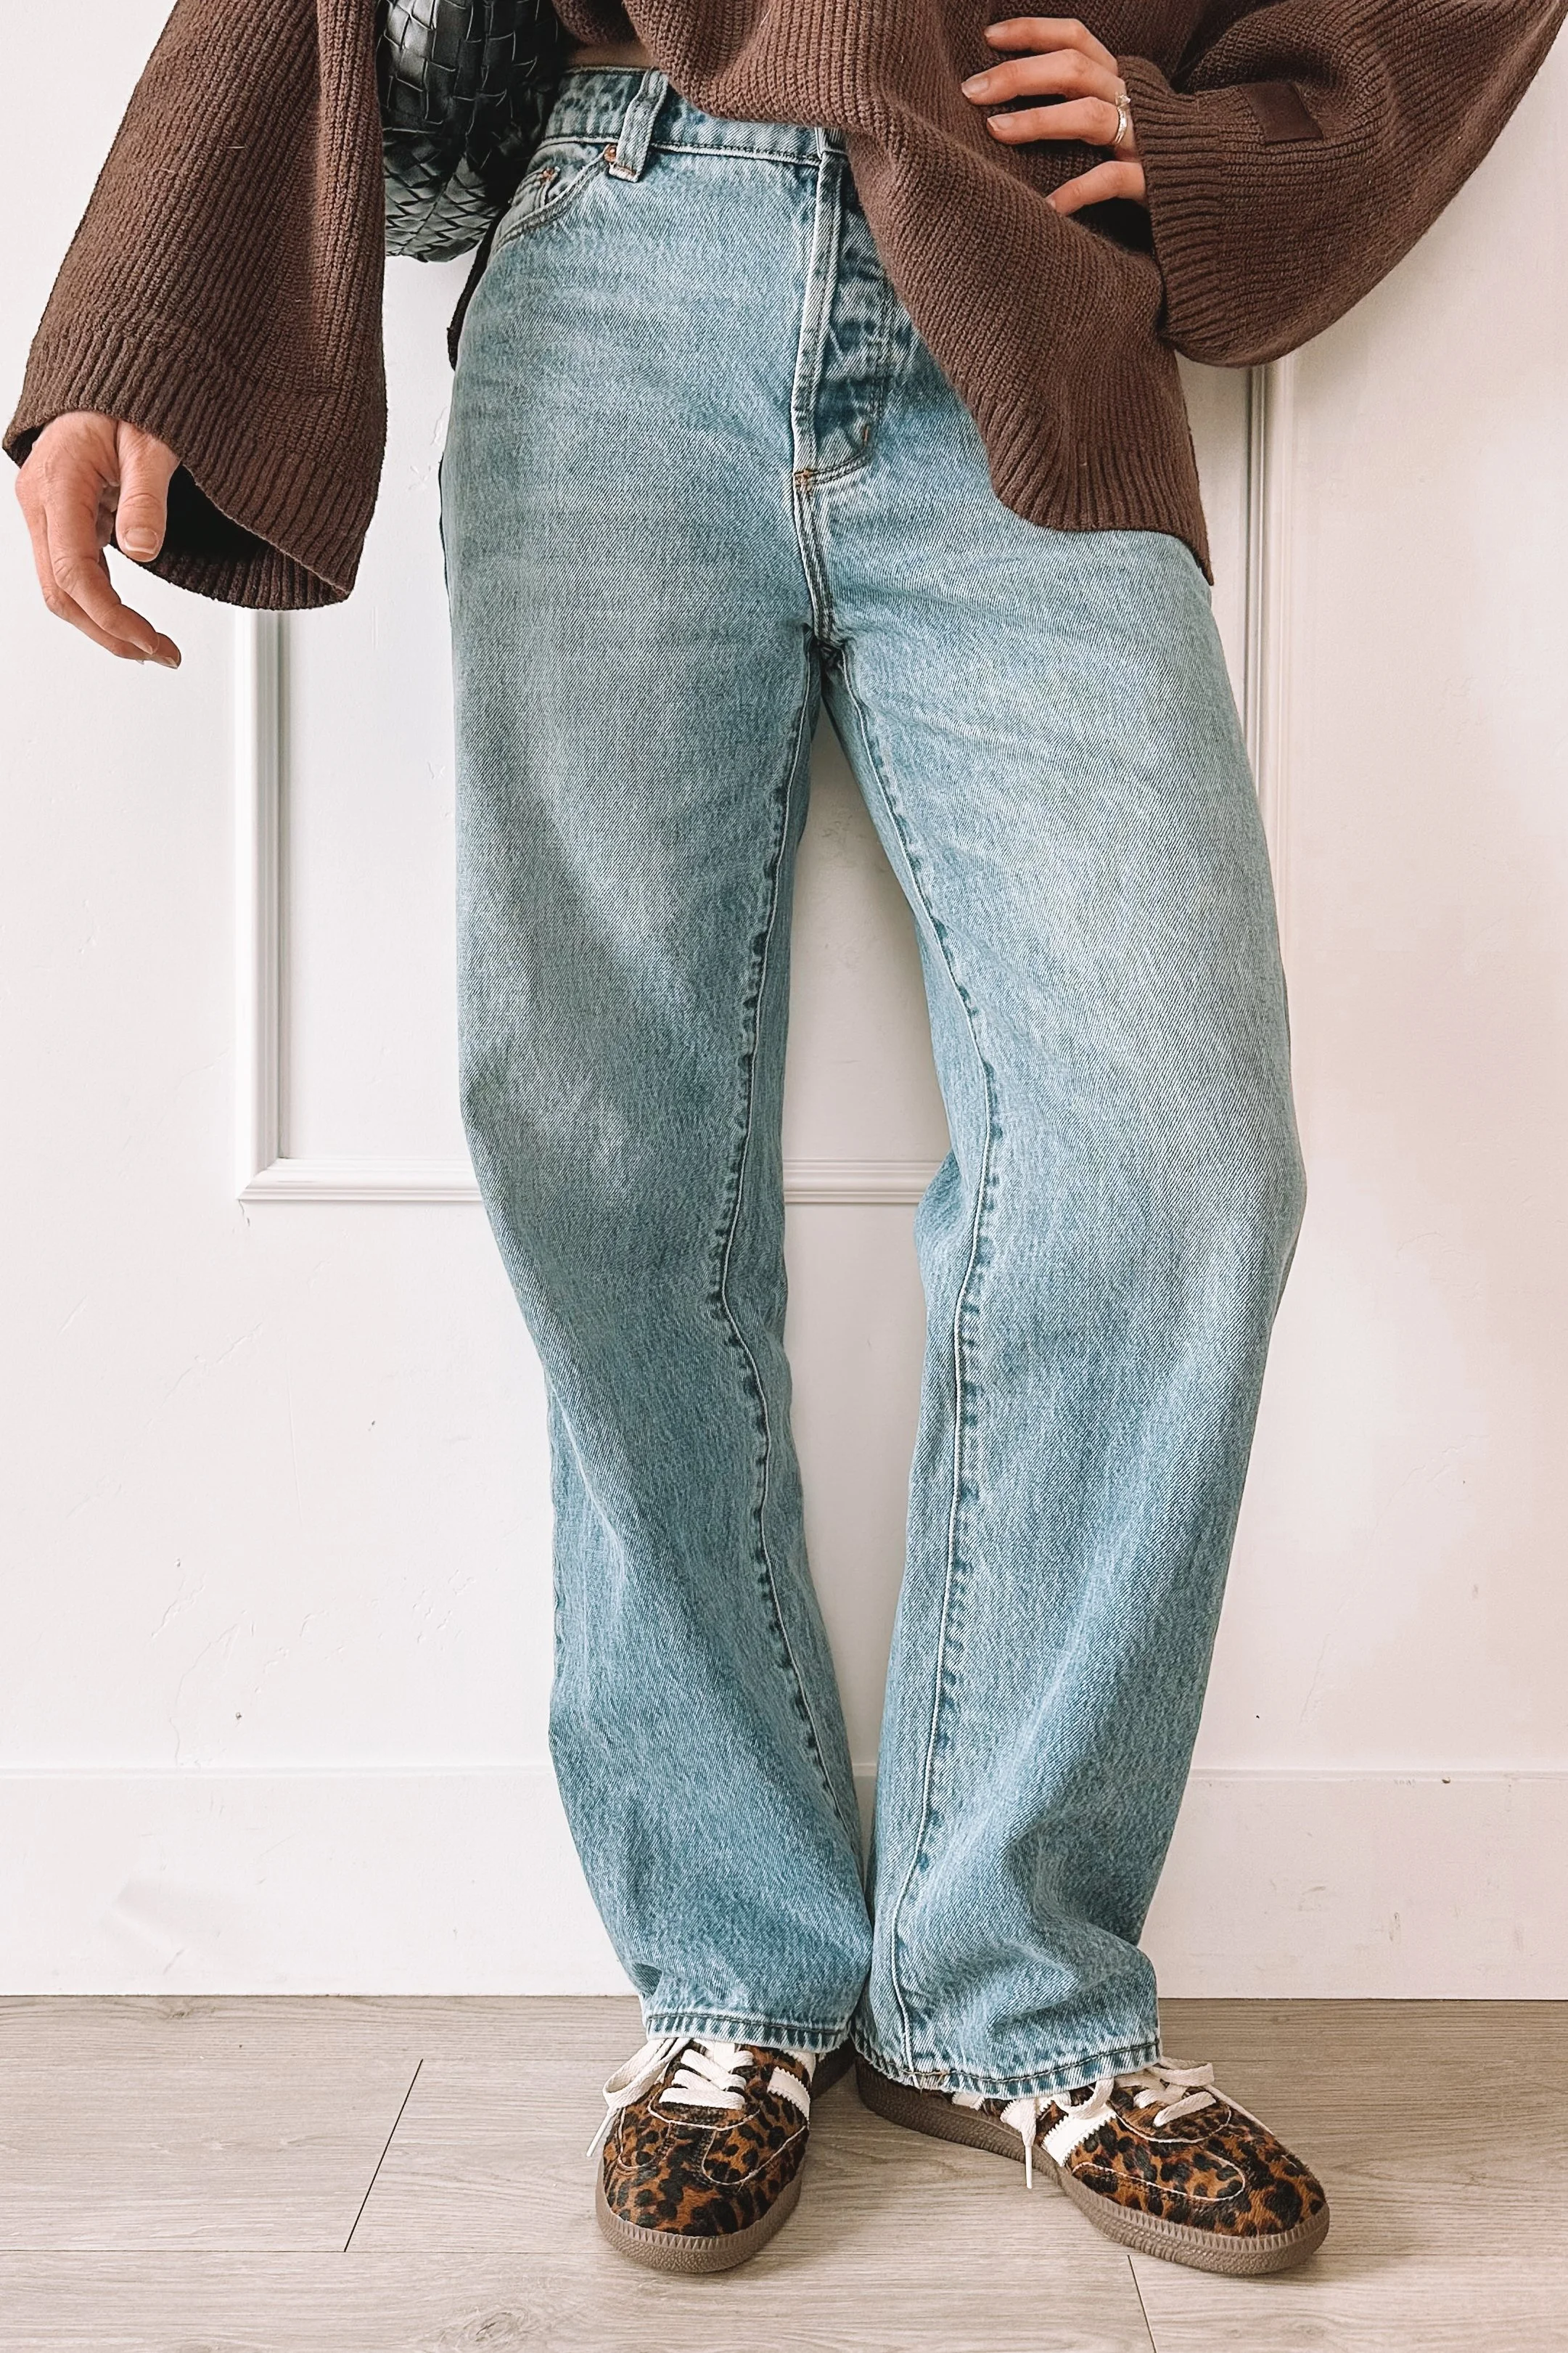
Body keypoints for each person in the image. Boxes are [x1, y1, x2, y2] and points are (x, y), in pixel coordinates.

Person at [12, 0, 1563, 2285]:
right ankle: (732, 1979)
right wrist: (140, 315)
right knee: (597, 1141)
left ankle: (1013, 1991)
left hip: (1023, 288)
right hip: (619, 270)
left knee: (1182, 1160)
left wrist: (1236, 150)